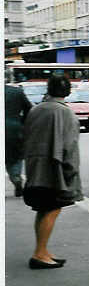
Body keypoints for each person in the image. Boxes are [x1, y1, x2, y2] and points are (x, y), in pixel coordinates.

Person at [22, 74, 82, 269]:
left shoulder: (36, 109)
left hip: (34, 168)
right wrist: (71, 172)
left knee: (42, 209)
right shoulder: (66, 113)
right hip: (54, 171)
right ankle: (39, 253)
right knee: (53, 208)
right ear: (68, 91)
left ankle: (43, 250)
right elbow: (69, 147)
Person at [5, 69, 33, 197]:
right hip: (14, 130)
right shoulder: (17, 92)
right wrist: (21, 122)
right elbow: (29, 109)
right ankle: (16, 179)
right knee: (14, 158)